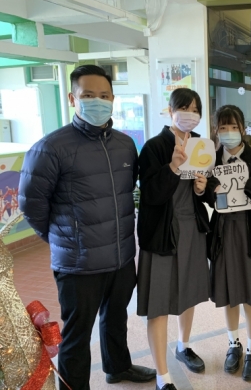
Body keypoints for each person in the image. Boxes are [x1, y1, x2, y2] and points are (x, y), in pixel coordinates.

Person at [18, 64, 155, 390]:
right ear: (72, 98)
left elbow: (128, 190)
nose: (98, 101)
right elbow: (31, 205)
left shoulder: (125, 144)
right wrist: (64, 238)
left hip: (121, 255)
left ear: (113, 99)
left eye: (104, 96)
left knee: (116, 318)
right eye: (89, 95)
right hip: (79, 263)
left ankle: (118, 367)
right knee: (77, 334)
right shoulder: (50, 148)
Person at [137, 88, 211, 390]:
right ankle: (162, 375)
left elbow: (207, 189)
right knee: (159, 301)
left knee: (188, 291)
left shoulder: (200, 144)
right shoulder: (154, 147)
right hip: (162, 234)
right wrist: (172, 167)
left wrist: (202, 188)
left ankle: (183, 346)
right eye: (184, 108)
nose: (190, 114)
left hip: (192, 230)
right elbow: (150, 195)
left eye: (195, 110)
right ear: (170, 111)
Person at [205, 105, 251, 381]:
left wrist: (246, 182)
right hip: (224, 233)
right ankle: (233, 344)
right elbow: (205, 195)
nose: (229, 132)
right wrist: (210, 190)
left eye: (233, 127)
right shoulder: (211, 160)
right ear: (216, 131)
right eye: (223, 127)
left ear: (243, 129)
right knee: (228, 292)